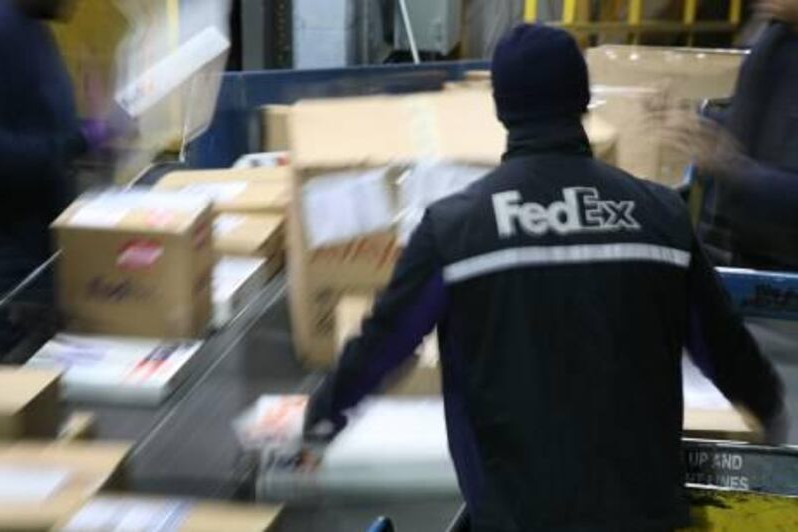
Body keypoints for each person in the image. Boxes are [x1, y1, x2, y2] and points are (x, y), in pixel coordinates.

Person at [303, 24, 787, 531]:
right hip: (644, 517)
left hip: (518, 519)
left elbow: (387, 342)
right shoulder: (660, 215)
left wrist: (321, 417)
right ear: (581, 100)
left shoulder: (456, 229)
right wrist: (770, 408)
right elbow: (722, 343)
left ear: (502, 108)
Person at [0, 0, 114, 356]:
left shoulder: (30, 25)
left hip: (42, 255)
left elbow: (38, 122)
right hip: (11, 272)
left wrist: (90, 133)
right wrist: (80, 140)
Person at [664, 0, 798, 271]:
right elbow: (753, 122)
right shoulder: (779, 38)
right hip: (744, 254)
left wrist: (730, 166)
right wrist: (696, 123)